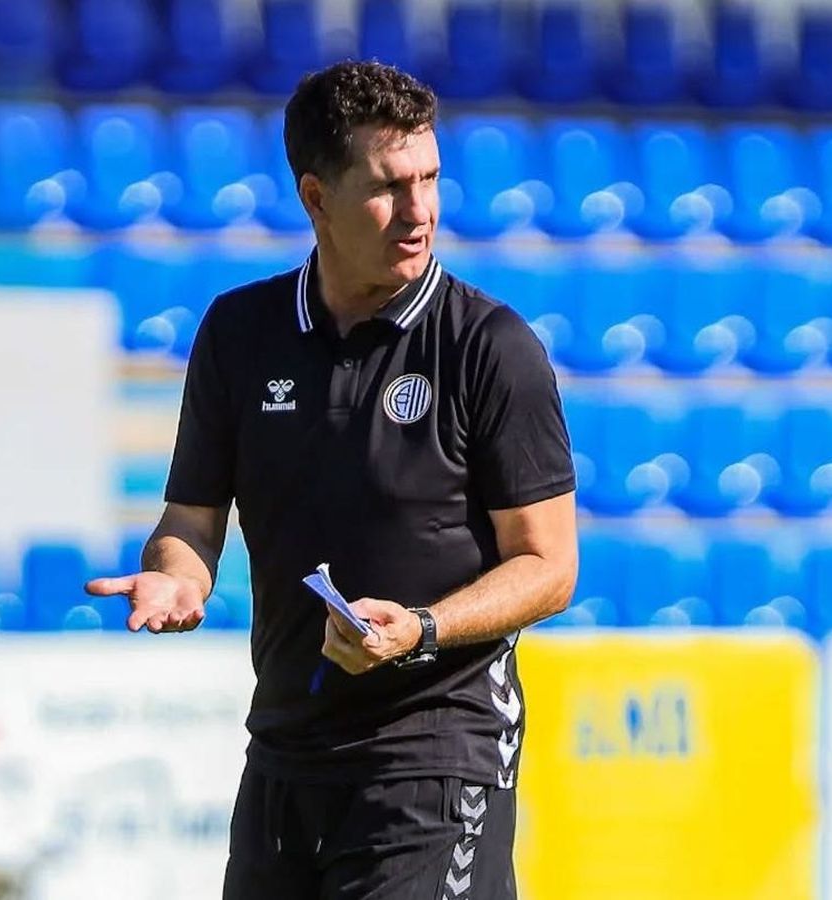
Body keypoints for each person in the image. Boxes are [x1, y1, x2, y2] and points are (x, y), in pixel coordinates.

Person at [86, 60, 578, 900]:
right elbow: (191, 520)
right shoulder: (240, 333)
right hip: (283, 758)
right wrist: (175, 573)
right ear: (316, 198)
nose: (420, 211)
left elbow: (549, 566)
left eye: (429, 178)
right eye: (389, 186)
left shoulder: (491, 347)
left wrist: (420, 628)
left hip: (435, 758)